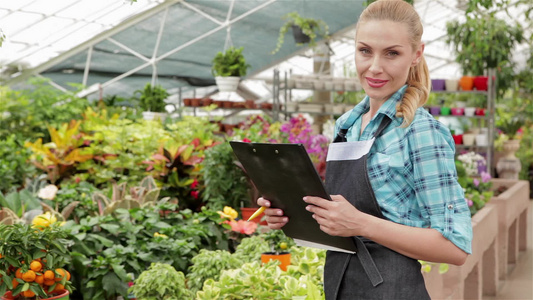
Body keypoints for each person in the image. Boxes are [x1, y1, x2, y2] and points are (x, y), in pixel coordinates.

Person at [257, 0, 473, 299]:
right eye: (365, 50)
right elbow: (342, 227)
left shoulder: (421, 132)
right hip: (341, 284)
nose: (374, 67)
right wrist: (293, 215)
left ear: (416, 55)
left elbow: (455, 247)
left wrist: (362, 223)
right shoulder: (348, 125)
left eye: (392, 53)